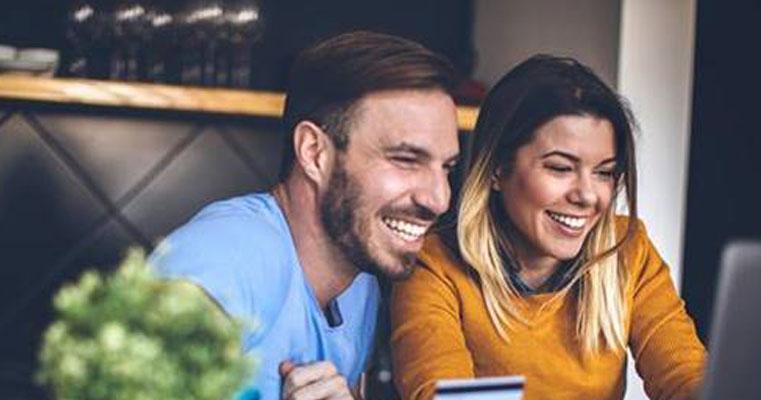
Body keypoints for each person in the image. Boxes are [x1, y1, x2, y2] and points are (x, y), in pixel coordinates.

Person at [149, 31, 460, 400]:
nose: (439, 199)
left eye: (447, 168)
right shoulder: (228, 256)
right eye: (406, 160)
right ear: (315, 153)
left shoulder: (360, 284)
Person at [390, 54, 706, 400]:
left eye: (604, 173)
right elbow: (437, 393)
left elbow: (686, 375)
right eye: (560, 168)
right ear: (498, 168)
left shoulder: (629, 250)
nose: (587, 196)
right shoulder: (434, 265)